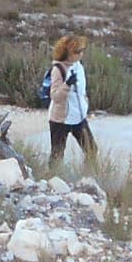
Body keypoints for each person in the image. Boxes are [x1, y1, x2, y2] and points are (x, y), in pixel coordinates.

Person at [45, 35, 98, 167]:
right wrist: (67, 85)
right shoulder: (58, 69)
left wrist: (85, 104)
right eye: (77, 52)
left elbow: (82, 91)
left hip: (78, 117)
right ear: (67, 53)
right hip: (61, 120)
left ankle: (89, 177)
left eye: (81, 51)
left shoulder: (79, 66)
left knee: (91, 149)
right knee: (57, 154)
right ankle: (52, 182)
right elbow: (55, 96)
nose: (81, 54)